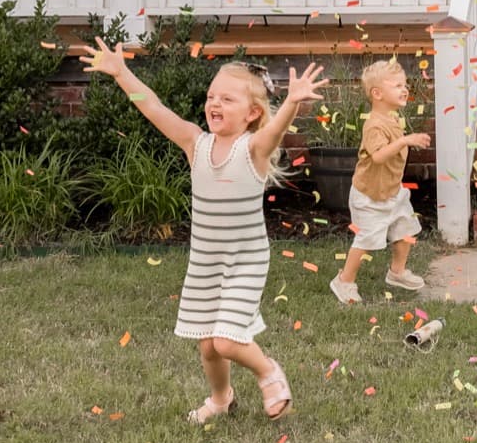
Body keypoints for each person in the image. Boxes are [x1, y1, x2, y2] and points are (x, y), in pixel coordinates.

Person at [79, 43, 323, 423]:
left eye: (227, 99)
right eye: (211, 96)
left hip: (245, 260)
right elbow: (153, 107)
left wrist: (291, 103)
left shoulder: (253, 149)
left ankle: (268, 372)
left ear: (252, 113)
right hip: (206, 261)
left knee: (226, 342)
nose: (214, 103)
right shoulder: (196, 143)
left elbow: (275, 132)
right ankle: (221, 398)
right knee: (208, 346)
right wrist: (121, 74)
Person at [329, 59, 432, 304]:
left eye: (404, 85)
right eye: (397, 85)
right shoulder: (374, 125)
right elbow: (378, 157)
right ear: (377, 94)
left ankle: (397, 272)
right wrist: (405, 141)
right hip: (369, 196)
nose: (404, 89)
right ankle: (344, 281)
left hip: (392, 191)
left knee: (406, 228)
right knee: (367, 238)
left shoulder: (392, 119)